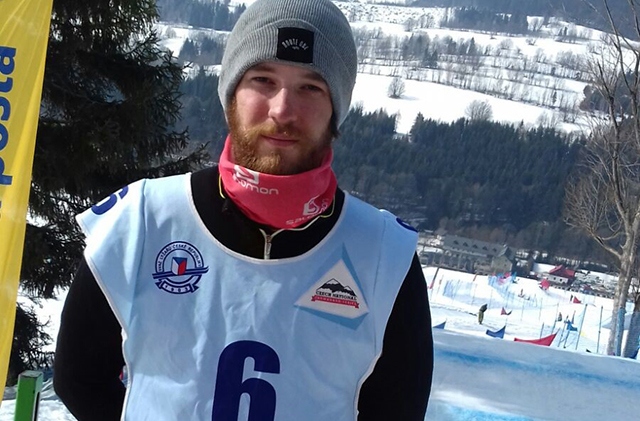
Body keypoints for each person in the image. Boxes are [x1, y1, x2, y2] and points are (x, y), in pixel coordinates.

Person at [53, 0, 434, 420]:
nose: (282, 110)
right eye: (263, 79)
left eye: (311, 87)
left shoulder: (384, 256)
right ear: (231, 94)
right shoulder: (144, 221)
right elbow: (79, 377)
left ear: (336, 110)